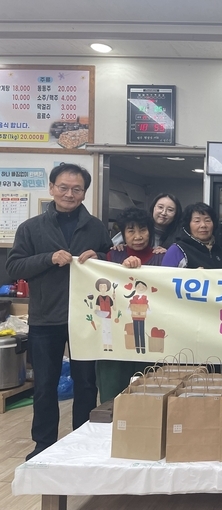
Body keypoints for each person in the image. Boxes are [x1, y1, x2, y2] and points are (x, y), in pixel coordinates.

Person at [6, 163, 112, 460]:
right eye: (63, 187)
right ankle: (44, 445)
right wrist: (49, 258)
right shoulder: (31, 228)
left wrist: (99, 256)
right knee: (44, 384)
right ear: (52, 188)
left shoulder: (96, 227)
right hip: (45, 316)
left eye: (77, 189)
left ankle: (83, 441)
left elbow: (110, 263)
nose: (69, 194)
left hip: (86, 318)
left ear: (84, 193)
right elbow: (13, 267)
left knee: (87, 384)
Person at [97, 208, 165, 403]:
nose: (138, 236)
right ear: (123, 234)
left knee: (149, 391)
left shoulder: (162, 257)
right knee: (113, 392)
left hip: (150, 335)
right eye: (131, 231)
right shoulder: (112, 257)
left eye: (143, 230)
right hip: (117, 335)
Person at [162, 202, 222, 269]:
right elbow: (165, 274)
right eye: (197, 221)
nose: (203, 225)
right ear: (188, 224)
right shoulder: (177, 250)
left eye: (207, 220)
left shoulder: (220, 249)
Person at [111, 193, 182, 251]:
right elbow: (111, 247)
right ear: (153, 208)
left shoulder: (179, 236)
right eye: (160, 207)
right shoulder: (138, 225)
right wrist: (118, 248)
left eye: (170, 210)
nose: (163, 213)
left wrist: (169, 254)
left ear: (176, 214)